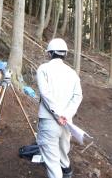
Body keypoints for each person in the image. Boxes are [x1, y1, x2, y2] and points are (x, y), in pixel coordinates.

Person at [36, 38, 83, 178]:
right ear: (65, 54)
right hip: (67, 123)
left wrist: (58, 115)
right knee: (63, 154)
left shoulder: (43, 69)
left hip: (50, 121)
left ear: (50, 53)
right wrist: (66, 115)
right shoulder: (72, 73)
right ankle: (67, 173)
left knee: (52, 162)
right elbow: (78, 96)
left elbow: (45, 94)